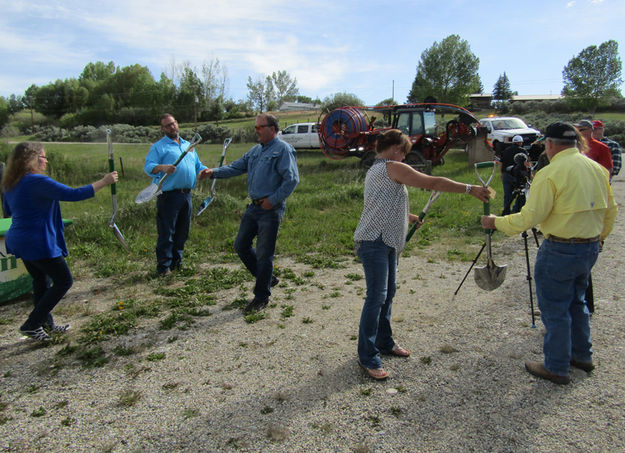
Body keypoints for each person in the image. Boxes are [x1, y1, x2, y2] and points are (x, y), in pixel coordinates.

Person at [481, 122, 617, 385]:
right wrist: (599, 239)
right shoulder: (598, 170)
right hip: (589, 247)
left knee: (555, 308)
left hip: (560, 248)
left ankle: (556, 366)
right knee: (577, 302)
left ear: (551, 144)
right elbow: (611, 211)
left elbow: (530, 217)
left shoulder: (550, 173)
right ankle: (582, 355)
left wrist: (496, 222)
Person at [354, 129, 491, 380]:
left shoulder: (375, 170)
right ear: (397, 148)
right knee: (377, 297)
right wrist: (470, 188)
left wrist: (407, 216)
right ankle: (367, 355)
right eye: (404, 153)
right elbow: (433, 182)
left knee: (387, 294)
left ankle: (385, 342)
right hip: (374, 242)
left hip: (385, 242)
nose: (405, 158)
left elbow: (381, 203)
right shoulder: (391, 166)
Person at [1, 142, 118, 342]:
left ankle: (46, 325)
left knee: (41, 281)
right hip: (37, 241)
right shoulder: (36, 181)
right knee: (64, 280)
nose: (46, 161)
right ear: (33, 158)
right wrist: (105, 181)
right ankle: (32, 324)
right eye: (44, 157)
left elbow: (9, 211)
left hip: (19, 239)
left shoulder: (11, 182)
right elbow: (74, 194)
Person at [205, 113, 299, 314]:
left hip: (270, 209)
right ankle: (267, 278)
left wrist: (272, 201)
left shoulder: (283, 150)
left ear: (272, 129)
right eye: (255, 127)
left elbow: (291, 180)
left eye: (259, 127)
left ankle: (261, 296)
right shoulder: (255, 151)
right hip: (254, 207)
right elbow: (235, 167)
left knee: (265, 253)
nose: (255, 130)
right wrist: (213, 172)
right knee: (240, 245)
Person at [144, 113, 211, 276]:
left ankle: (176, 263)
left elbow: (198, 165)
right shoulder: (159, 147)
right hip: (168, 196)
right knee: (167, 232)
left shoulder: (189, 145)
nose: (171, 127)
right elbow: (148, 166)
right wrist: (163, 168)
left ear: (177, 123)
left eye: (173, 123)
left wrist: (204, 171)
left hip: (186, 195)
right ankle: (163, 268)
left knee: (182, 232)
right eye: (167, 126)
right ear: (162, 129)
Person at [499, 135, 528, 215]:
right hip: (518, 176)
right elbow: (526, 164)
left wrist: (501, 173)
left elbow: (501, 163)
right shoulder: (523, 151)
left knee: (507, 195)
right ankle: (516, 210)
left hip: (506, 174)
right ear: (520, 142)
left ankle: (506, 212)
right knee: (521, 193)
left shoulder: (506, 150)